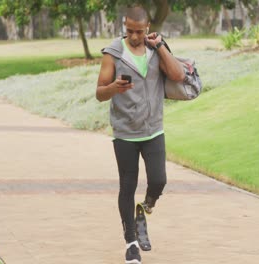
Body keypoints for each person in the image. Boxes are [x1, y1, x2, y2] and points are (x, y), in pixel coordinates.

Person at [96, 6, 184, 264]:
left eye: (139, 31)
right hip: (125, 133)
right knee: (127, 186)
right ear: (125, 27)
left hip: (153, 130)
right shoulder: (113, 53)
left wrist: (161, 47)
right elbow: (100, 93)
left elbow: (178, 75)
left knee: (159, 180)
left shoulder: (156, 49)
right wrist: (113, 87)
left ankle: (146, 206)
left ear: (147, 28)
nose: (134, 36)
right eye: (129, 31)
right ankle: (131, 244)